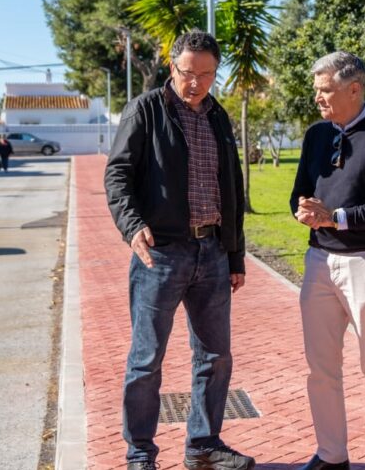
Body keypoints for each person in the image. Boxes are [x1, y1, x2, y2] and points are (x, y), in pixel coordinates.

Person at [104, 30, 255, 470]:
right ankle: (139, 453)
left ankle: (203, 445)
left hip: (211, 252)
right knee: (147, 359)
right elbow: (118, 177)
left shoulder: (218, 117)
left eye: (207, 75)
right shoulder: (146, 110)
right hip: (160, 254)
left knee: (215, 356)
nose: (197, 83)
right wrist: (132, 227)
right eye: (189, 73)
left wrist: (235, 255)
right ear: (173, 67)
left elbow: (232, 188)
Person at [289, 51, 365, 470]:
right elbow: (300, 192)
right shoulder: (315, 135)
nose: (318, 99)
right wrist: (303, 210)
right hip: (318, 262)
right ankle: (331, 454)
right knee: (320, 368)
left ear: (354, 89)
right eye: (317, 91)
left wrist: (337, 218)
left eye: (326, 91)